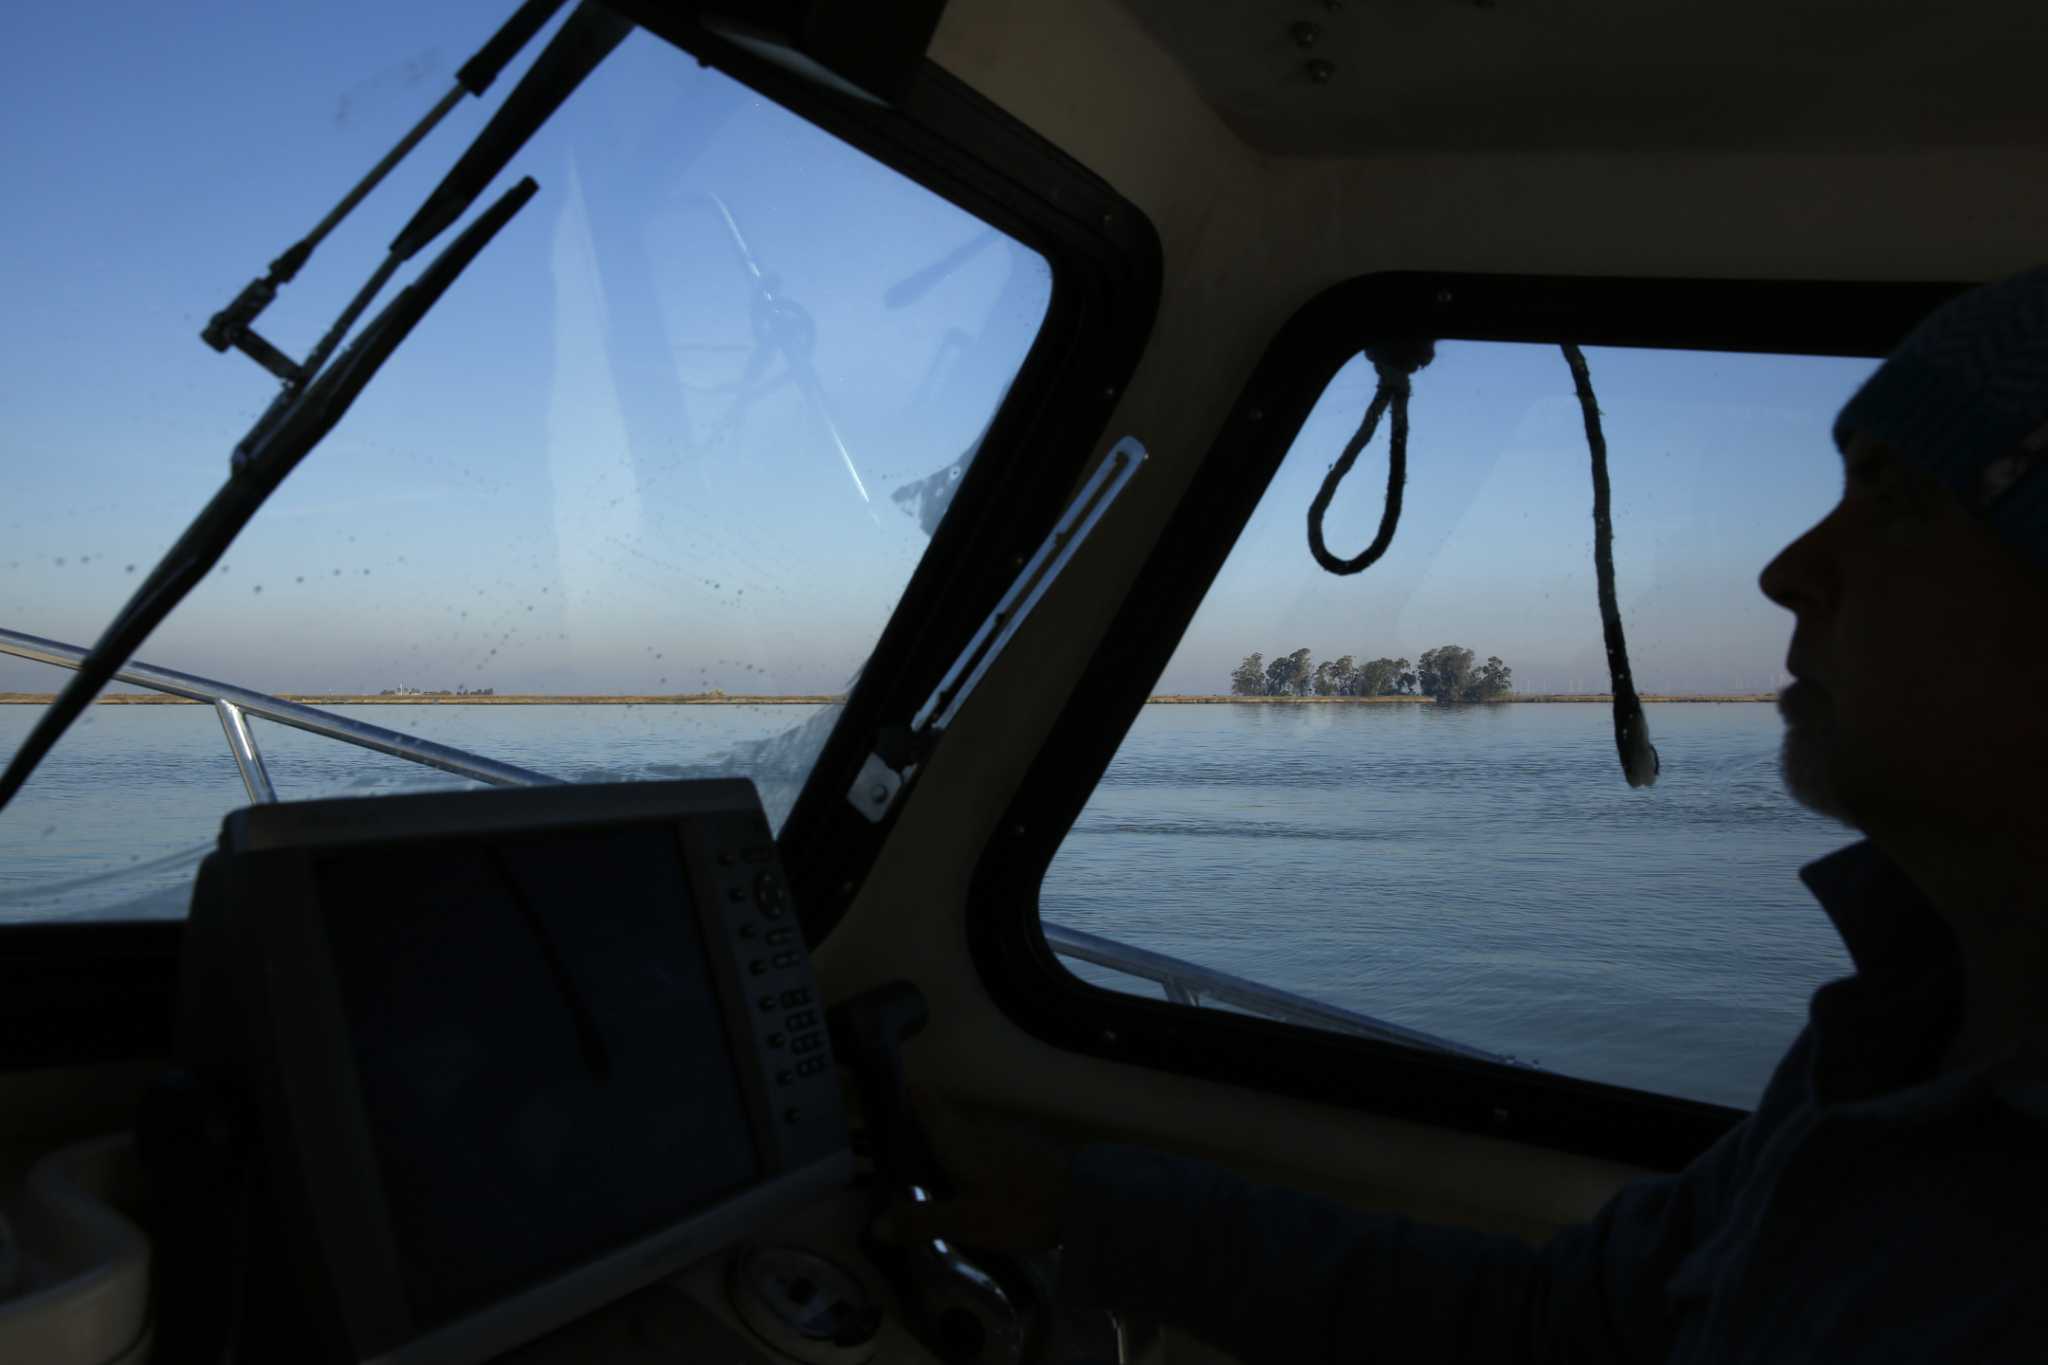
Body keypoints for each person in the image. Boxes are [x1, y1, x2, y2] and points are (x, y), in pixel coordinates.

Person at [880, 267, 2048, 1362]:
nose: (1785, 569)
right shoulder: (1903, 1026)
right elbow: (1562, 1324)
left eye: (1893, 502)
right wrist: (1094, 1209)